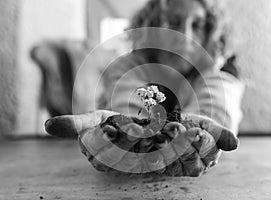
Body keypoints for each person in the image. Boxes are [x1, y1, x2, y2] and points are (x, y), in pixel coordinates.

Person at [45, 0, 244, 176]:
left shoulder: (220, 70)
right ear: (153, 26)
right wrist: (124, 133)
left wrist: (202, 135)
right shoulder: (129, 64)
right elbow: (124, 114)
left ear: (211, 33)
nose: (185, 37)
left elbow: (217, 112)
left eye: (198, 25)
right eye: (173, 22)